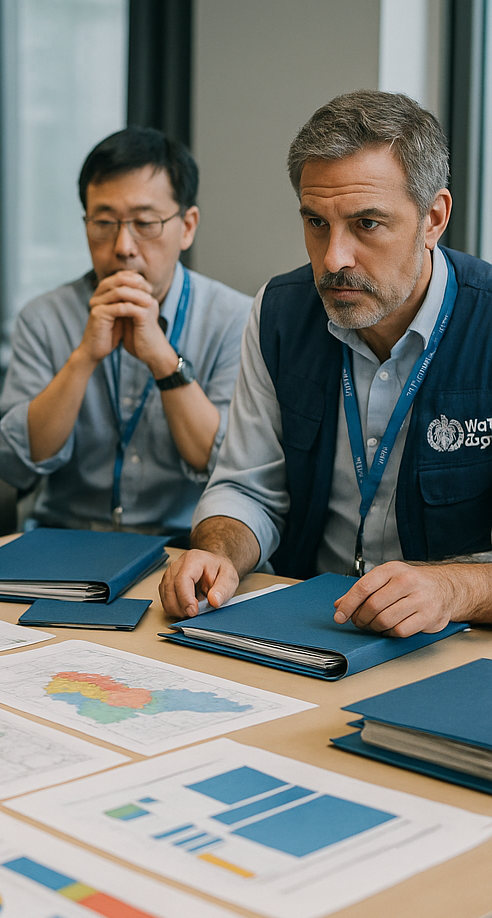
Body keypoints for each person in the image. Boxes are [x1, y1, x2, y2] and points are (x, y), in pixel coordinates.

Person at [160, 90, 492, 638]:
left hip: (454, 644)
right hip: (309, 627)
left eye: (366, 224)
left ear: (433, 218)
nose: (334, 259)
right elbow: (247, 489)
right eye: (316, 223)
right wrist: (219, 552)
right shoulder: (280, 312)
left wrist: (453, 588)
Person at [0, 127, 251, 537]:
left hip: (186, 546)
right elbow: (13, 463)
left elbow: (227, 464)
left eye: (145, 223)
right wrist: (83, 358)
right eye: (103, 223)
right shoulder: (44, 317)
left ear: (187, 226)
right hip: (65, 540)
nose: (123, 246)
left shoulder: (235, 318)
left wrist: (162, 359)